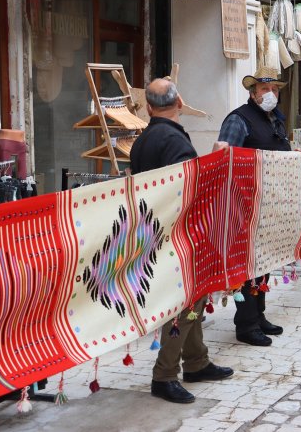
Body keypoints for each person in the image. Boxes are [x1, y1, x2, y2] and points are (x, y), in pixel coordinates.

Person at [130, 78, 234, 404]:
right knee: (186, 303)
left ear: (148, 107)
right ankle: (164, 375)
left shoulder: (142, 141)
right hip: (178, 234)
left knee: (196, 297)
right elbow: (185, 189)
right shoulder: (174, 141)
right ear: (179, 103)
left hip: (153, 232)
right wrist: (215, 162)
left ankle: (197, 361)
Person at [217, 67, 290, 347]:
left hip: (270, 202)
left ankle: (258, 315)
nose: (270, 94)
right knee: (247, 264)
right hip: (245, 203)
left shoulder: (274, 119)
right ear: (252, 93)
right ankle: (245, 324)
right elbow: (225, 161)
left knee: (264, 261)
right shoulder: (239, 120)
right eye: (264, 90)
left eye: (274, 90)